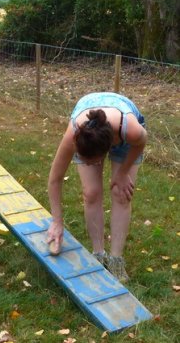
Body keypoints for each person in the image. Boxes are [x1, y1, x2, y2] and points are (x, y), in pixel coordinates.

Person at [46, 92, 147, 282]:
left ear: (107, 150)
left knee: (121, 193)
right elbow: (55, 179)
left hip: (122, 127)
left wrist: (123, 172)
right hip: (90, 121)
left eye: (93, 162)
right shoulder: (75, 135)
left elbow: (142, 140)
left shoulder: (130, 129)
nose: (90, 165)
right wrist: (57, 221)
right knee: (91, 192)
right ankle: (98, 255)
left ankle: (116, 260)